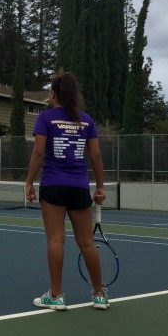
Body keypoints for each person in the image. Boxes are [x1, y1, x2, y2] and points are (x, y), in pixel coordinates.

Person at [25, 72, 109, 311]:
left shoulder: (45, 118)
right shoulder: (87, 120)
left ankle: (56, 295)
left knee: (55, 239)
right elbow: (95, 156)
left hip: (53, 185)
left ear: (53, 93)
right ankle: (100, 295)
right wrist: (101, 186)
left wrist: (28, 182)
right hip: (79, 187)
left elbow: (38, 153)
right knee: (87, 242)